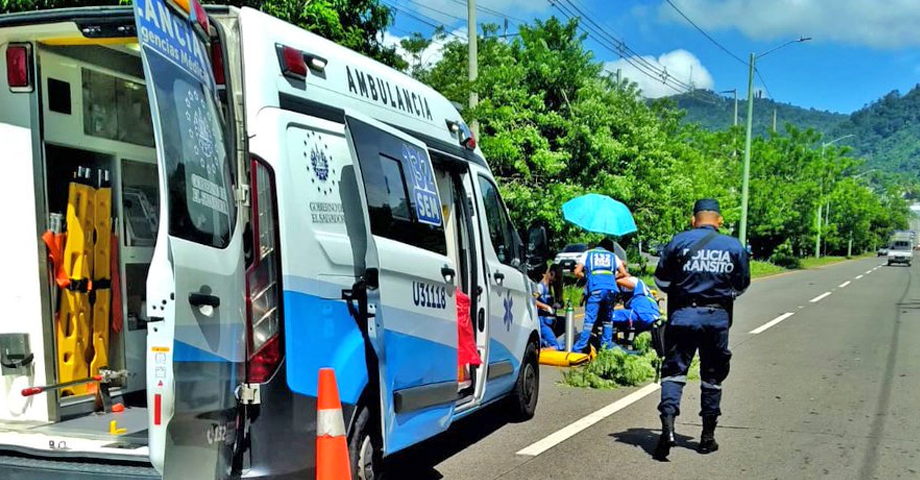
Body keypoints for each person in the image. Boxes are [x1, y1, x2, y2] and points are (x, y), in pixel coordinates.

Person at [652, 198, 750, 460]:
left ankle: (668, 429)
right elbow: (741, 285)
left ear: (693, 219)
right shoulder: (733, 246)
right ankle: (707, 438)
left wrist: (683, 289)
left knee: (674, 373)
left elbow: (661, 280)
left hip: (682, 316)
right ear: (719, 220)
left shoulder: (679, 242)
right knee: (712, 376)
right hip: (716, 319)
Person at [571, 238, 627, 352]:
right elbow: (623, 273)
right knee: (607, 320)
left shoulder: (588, 254)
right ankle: (606, 347)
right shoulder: (613, 256)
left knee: (589, 320)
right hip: (611, 290)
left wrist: (587, 277)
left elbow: (577, 272)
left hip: (596, 288)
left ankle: (580, 348)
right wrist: (611, 277)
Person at [535, 264, 564, 350]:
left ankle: (543, 343)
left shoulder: (550, 288)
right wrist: (546, 307)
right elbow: (532, 300)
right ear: (551, 274)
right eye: (555, 278)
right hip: (543, 322)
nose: (555, 281)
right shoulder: (540, 287)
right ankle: (544, 345)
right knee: (556, 347)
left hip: (551, 321)